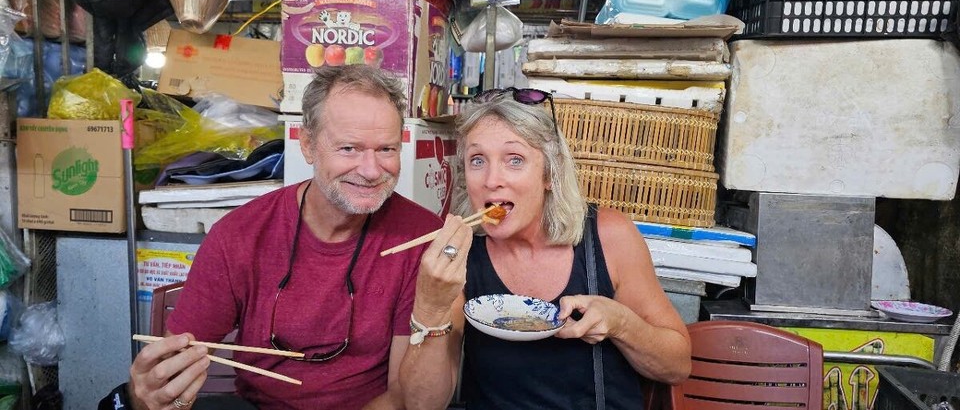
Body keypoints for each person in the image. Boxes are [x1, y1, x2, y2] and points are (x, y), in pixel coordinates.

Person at [107, 65, 474, 410]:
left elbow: (415, 402)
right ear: (308, 144)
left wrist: (433, 307)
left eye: (386, 149)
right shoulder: (240, 235)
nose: (371, 170)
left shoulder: (423, 239)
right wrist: (151, 395)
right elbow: (173, 372)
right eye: (349, 148)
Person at [406, 90, 692, 410]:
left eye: (515, 160)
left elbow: (677, 366)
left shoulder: (609, 237)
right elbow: (422, 404)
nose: (491, 180)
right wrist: (429, 309)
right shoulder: (460, 255)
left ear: (549, 174)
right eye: (477, 160)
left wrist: (621, 324)